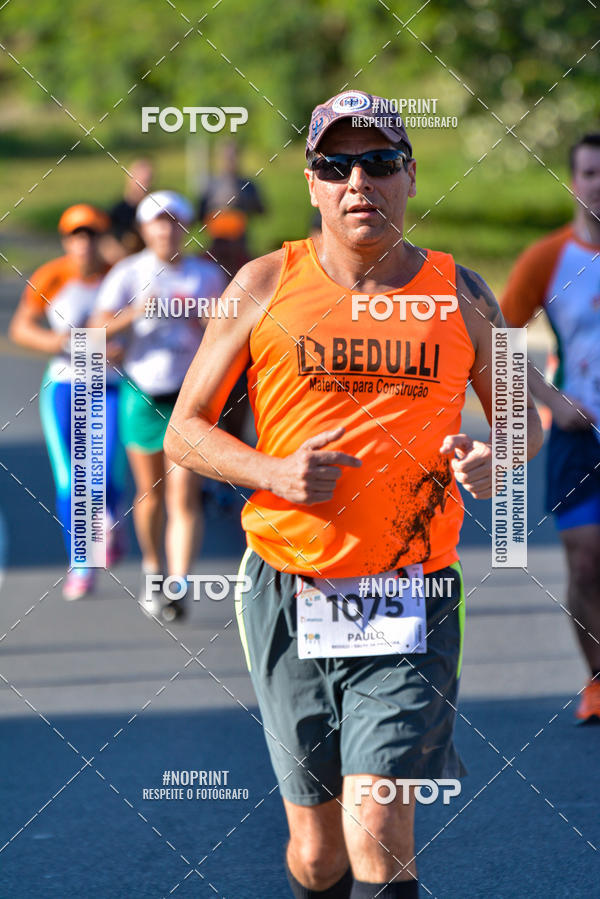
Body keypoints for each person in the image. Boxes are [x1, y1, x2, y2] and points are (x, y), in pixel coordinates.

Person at [165, 91, 543, 897]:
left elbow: (524, 417)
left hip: (413, 589)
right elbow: (184, 432)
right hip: (287, 584)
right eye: (335, 166)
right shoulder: (265, 283)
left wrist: (497, 453)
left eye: (378, 162)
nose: (357, 182)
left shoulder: (459, 290)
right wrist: (274, 473)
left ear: (410, 174)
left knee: (377, 824)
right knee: (317, 852)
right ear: (312, 184)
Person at [90, 190, 226, 623]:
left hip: (190, 396)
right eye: (158, 222)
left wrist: (207, 318)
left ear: (185, 227)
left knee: (184, 494)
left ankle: (179, 586)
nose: (167, 230)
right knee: (150, 494)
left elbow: (229, 332)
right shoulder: (129, 272)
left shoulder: (206, 275)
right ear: (145, 229)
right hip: (142, 392)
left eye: (174, 221)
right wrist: (133, 315)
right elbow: (95, 330)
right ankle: (153, 570)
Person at [500, 132, 600, 723]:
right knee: (586, 563)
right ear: (574, 182)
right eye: (590, 173)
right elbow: (498, 338)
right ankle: (597, 681)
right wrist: (552, 401)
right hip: (577, 435)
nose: (599, 185)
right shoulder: (549, 258)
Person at [9, 204, 127, 600]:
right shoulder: (51, 276)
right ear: (65, 240)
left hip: (109, 386)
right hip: (64, 386)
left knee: (104, 473)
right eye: (76, 236)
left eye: (91, 235)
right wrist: (61, 342)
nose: (84, 244)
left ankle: (110, 522)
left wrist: (121, 349)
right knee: (72, 479)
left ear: (102, 238)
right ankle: (81, 562)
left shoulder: (119, 274)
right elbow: (21, 328)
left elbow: (140, 322)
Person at [103, 159, 154, 263]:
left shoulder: (156, 211)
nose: (144, 185)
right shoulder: (117, 212)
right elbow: (107, 246)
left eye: (147, 180)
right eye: (140, 179)